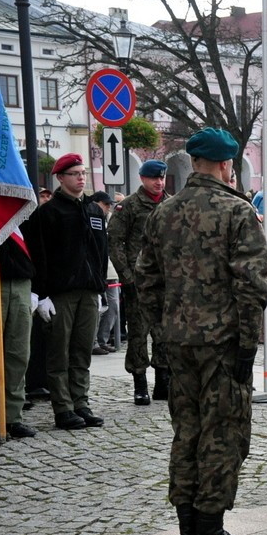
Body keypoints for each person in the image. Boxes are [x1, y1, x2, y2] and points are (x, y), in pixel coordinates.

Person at [136, 128, 267, 535]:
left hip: (179, 342)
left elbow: (146, 279)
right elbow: (251, 286)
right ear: (226, 165)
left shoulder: (163, 212)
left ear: (194, 162)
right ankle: (209, 534)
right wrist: (248, 346)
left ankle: (187, 532)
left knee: (186, 432)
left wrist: (163, 330)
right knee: (223, 434)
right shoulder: (237, 211)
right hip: (223, 343)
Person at [22, 153, 108, 430]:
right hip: (61, 293)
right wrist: (41, 293)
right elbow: (40, 255)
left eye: (83, 173)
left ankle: (81, 402)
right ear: (61, 178)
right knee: (60, 352)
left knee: (82, 351)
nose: (81, 178)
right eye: (74, 174)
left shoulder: (94, 211)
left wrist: (101, 287)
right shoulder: (48, 213)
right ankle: (63, 408)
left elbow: (100, 253)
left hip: (89, 290)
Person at [107, 159, 171, 405]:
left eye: (162, 178)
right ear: (143, 179)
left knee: (164, 332)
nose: (159, 182)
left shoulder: (171, 203)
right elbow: (115, 242)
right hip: (139, 280)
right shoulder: (129, 206)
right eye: (154, 178)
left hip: (166, 279)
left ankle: (163, 381)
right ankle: (140, 382)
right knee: (138, 332)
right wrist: (127, 275)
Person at [0, 235, 37, 442]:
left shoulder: (21, 206)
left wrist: (40, 291)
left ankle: (12, 415)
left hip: (20, 279)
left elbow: (39, 246)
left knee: (19, 353)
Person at [89, 191, 119, 358]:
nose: (108, 207)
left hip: (110, 270)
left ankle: (103, 340)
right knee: (97, 309)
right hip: (97, 271)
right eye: (105, 204)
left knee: (113, 307)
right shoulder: (91, 217)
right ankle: (93, 341)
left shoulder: (109, 220)